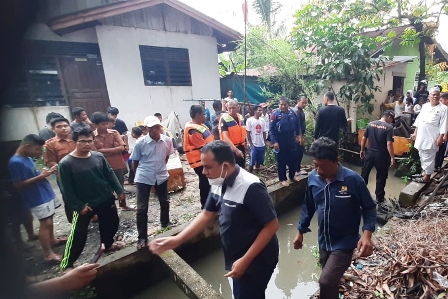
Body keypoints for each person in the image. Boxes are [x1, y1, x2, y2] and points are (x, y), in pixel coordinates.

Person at [149, 141, 279, 299]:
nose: (204, 172)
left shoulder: (250, 187)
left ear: (225, 166)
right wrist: (177, 240)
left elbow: (272, 226)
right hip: (238, 257)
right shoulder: (218, 180)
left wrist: (246, 260)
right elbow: (207, 214)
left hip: (258, 259)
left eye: (208, 167)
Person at [294, 137, 376, 299]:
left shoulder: (352, 180)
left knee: (325, 281)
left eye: (322, 166)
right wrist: (300, 231)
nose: (317, 170)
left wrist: (367, 235)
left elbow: (369, 207)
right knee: (329, 279)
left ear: (336, 161)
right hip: (324, 240)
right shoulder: (313, 178)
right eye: (315, 165)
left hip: (345, 242)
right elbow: (308, 206)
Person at [58, 127, 125, 271]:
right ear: (75, 141)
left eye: (89, 141)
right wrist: (77, 206)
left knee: (112, 223)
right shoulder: (66, 163)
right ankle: (67, 264)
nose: (87, 144)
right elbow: (66, 189)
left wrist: (119, 190)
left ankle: (107, 245)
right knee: (78, 235)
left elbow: (109, 174)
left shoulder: (98, 157)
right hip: (85, 205)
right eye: (82, 141)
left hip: (105, 198)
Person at [8, 134, 65, 264]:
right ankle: (48, 254)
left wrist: (47, 172)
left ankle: (52, 240)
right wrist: (41, 177)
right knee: (45, 223)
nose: (38, 152)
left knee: (50, 219)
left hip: (44, 192)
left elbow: (36, 172)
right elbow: (18, 184)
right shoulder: (15, 162)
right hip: (36, 196)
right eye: (37, 149)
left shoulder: (28, 157)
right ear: (27, 146)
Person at [131, 115, 174, 249]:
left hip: (161, 175)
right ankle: (142, 237)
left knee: (164, 200)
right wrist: (140, 174)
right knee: (142, 207)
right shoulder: (140, 143)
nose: (155, 130)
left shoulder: (167, 140)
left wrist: (161, 168)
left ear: (160, 127)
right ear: (146, 129)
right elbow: (135, 162)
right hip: (144, 176)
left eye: (157, 127)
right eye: (152, 128)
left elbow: (166, 156)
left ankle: (165, 223)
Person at [91, 112, 130, 209]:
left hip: (116, 164)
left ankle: (123, 205)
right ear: (95, 125)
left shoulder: (114, 133)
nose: (105, 126)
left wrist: (102, 151)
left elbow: (122, 148)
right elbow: (94, 153)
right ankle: (111, 207)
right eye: (102, 124)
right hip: (101, 167)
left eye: (106, 124)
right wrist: (115, 149)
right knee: (105, 188)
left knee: (120, 186)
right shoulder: (91, 136)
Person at [44, 117, 78, 223]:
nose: (63, 128)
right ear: (53, 129)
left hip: (81, 174)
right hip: (64, 177)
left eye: (65, 126)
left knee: (86, 194)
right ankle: (73, 221)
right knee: (69, 198)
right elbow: (50, 162)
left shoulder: (77, 139)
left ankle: (90, 215)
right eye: (59, 127)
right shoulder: (49, 144)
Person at [412, 87, 448, 183]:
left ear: (439, 96)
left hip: (432, 135)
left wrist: (441, 137)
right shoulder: (425, 106)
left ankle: (427, 177)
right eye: (433, 94)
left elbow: (444, 124)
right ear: (429, 96)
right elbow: (419, 120)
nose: (435, 96)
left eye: (437, 94)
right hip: (421, 135)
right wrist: (415, 132)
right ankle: (425, 172)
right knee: (421, 153)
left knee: (429, 155)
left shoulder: (444, 109)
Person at [360, 110, 396, 204]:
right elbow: (389, 144)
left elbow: (364, 138)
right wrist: (392, 157)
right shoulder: (389, 127)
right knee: (381, 176)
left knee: (364, 173)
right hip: (382, 155)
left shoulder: (370, 124)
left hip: (370, 153)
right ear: (389, 117)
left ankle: (360, 194)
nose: (391, 122)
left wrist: (362, 150)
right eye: (391, 119)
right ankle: (379, 198)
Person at [183, 105, 214, 207]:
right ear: (198, 115)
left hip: (204, 160)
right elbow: (203, 149)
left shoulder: (199, 126)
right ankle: (205, 205)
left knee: (208, 183)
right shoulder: (193, 131)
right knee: (205, 184)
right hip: (200, 162)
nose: (205, 116)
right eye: (204, 114)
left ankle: (209, 205)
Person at [270, 97, 302, 186]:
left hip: (291, 139)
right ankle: (283, 179)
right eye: (281, 104)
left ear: (288, 105)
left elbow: (297, 124)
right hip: (280, 139)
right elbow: (271, 129)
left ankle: (292, 176)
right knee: (281, 161)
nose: (282, 106)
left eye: (284, 104)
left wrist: (298, 135)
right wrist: (274, 142)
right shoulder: (275, 114)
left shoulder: (293, 113)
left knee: (293, 159)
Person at [219, 99, 247, 168]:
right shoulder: (224, 119)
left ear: (238, 107)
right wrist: (236, 150)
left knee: (241, 168)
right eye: (229, 108)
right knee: (232, 169)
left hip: (241, 147)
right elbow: (225, 137)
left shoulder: (241, 117)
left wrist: (245, 145)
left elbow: (243, 132)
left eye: (233, 108)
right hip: (230, 148)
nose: (231, 110)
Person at [246, 105, 267, 173]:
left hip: (261, 144)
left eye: (261, 110)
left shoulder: (262, 120)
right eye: (259, 110)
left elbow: (264, 132)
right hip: (254, 145)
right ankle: (249, 175)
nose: (261, 112)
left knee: (259, 161)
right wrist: (251, 144)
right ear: (255, 111)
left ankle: (257, 173)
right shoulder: (250, 120)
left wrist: (264, 142)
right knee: (252, 162)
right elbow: (248, 133)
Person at [293, 96, 308, 175]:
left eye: (306, 103)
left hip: (299, 135)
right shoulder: (296, 111)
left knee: (300, 152)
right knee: (298, 153)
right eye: (303, 103)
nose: (304, 104)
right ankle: (296, 170)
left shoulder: (300, 110)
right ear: (298, 101)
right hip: (297, 136)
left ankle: (297, 169)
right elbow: (297, 125)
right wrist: (300, 136)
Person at [435, 92, 448, 170]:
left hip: (443, 133)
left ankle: (437, 165)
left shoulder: (446, 109)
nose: (440, 102)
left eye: (441, 100)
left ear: (446, 100)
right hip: (442, 132)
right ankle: (438, 165)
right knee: (441, 149)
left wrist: (445, 135)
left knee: (440, 149)